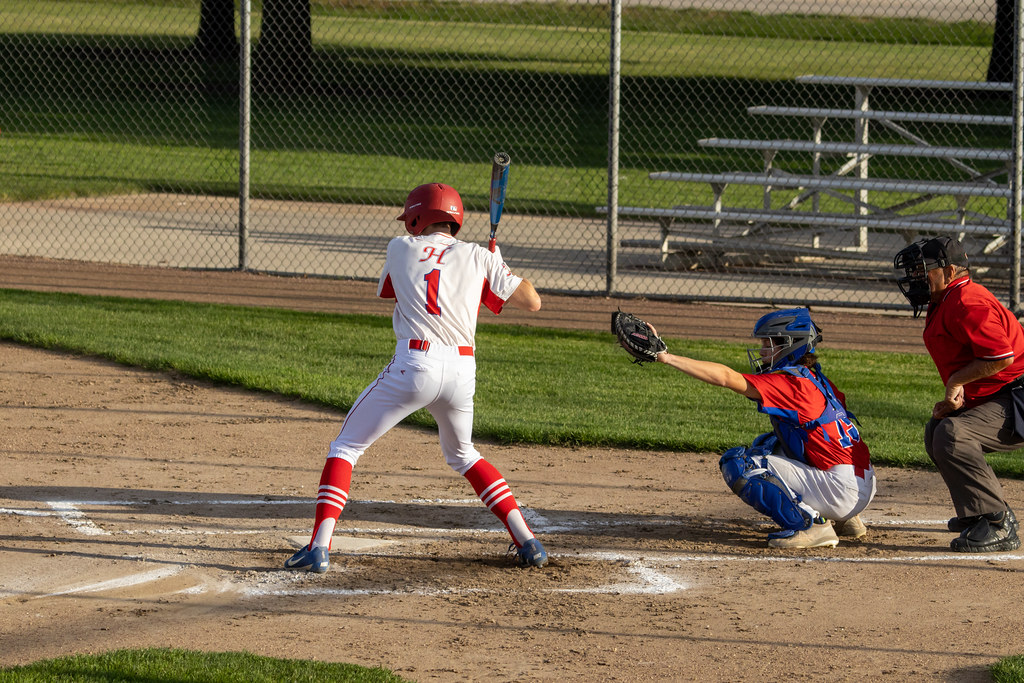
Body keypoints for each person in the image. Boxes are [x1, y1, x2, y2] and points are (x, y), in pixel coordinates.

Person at [285, 182, 548, 572]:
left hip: (414, 366)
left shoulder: (399, 248)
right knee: (463, 454)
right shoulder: (478, 255)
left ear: (418, 217)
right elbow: (531, 302)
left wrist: (482, 268)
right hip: (462, 373)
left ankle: (318, 548)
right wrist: (496, 265)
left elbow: (397, 290)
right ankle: (528, 542)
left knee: (345, 448)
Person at [652, 308, 876, 549]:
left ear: (790, 345)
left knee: (741, 464)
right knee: (770, 443)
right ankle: (847, 520)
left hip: (840, 490)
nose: (761, 351)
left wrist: (668, 357)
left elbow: (727, 377)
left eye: (769, 344)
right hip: (861, 481)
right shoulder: (816, 379)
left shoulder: (791, 384)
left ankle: (810, 526)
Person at [893, 236, 1023, 553]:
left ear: (950, 271)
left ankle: (997, 523)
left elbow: (1001, 357)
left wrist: (956, 382)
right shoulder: (948, 298)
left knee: (953, 435)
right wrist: (960, 391)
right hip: (1005, 394)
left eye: (923, 270)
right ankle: (977, 511)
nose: (916, 278)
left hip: (1018, 398)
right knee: (936, 430)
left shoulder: (967, 302)